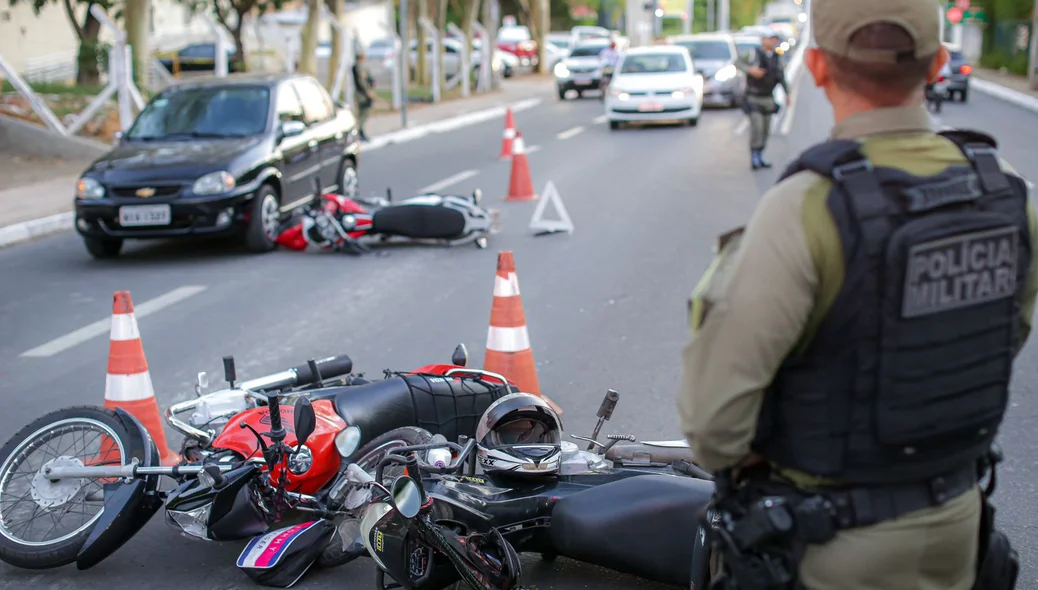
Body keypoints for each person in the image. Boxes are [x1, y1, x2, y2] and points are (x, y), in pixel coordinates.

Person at [676, 0, 1036, 588]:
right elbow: (999, 342)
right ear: (939, 63)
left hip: (827, 550)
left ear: (816, 67)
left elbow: (713, 425)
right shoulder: (1007, 194)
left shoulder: (805, 208)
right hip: (961, 532)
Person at [735, 31, 789, 170]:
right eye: (770, 39)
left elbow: (781, 75)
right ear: (763, 39)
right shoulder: (752, 53)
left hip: (768, 98)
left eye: (774, 39)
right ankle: (754, 155)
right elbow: (738, 63)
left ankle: (760, 154)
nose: (772, 42)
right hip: (754, 97)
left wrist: (787, 93)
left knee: (766, 129)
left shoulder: (777, 56)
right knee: (757, 128)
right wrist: (751, 70)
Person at [352, 51, 375, 142]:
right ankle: (358, 132)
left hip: (362, 94)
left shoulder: (360, 67)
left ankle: (360, 132)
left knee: (363, 114)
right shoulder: (358, 67)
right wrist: (368, 93)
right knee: (363, 114)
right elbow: (362, 82)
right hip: (362, 95)